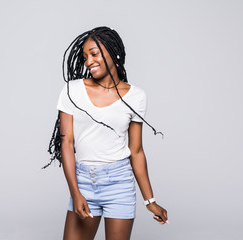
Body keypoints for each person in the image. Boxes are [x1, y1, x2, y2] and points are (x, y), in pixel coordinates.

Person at [45, 26, 168, 240]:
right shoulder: (71, 91)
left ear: (113, 52)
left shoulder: (136, 96)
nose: (89, 61)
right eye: (85, 57)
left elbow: (136, 151)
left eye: (94, 53)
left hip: (119, 183)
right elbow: (66, 143)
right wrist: (76, 193)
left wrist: (150, 201)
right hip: (82, 182)